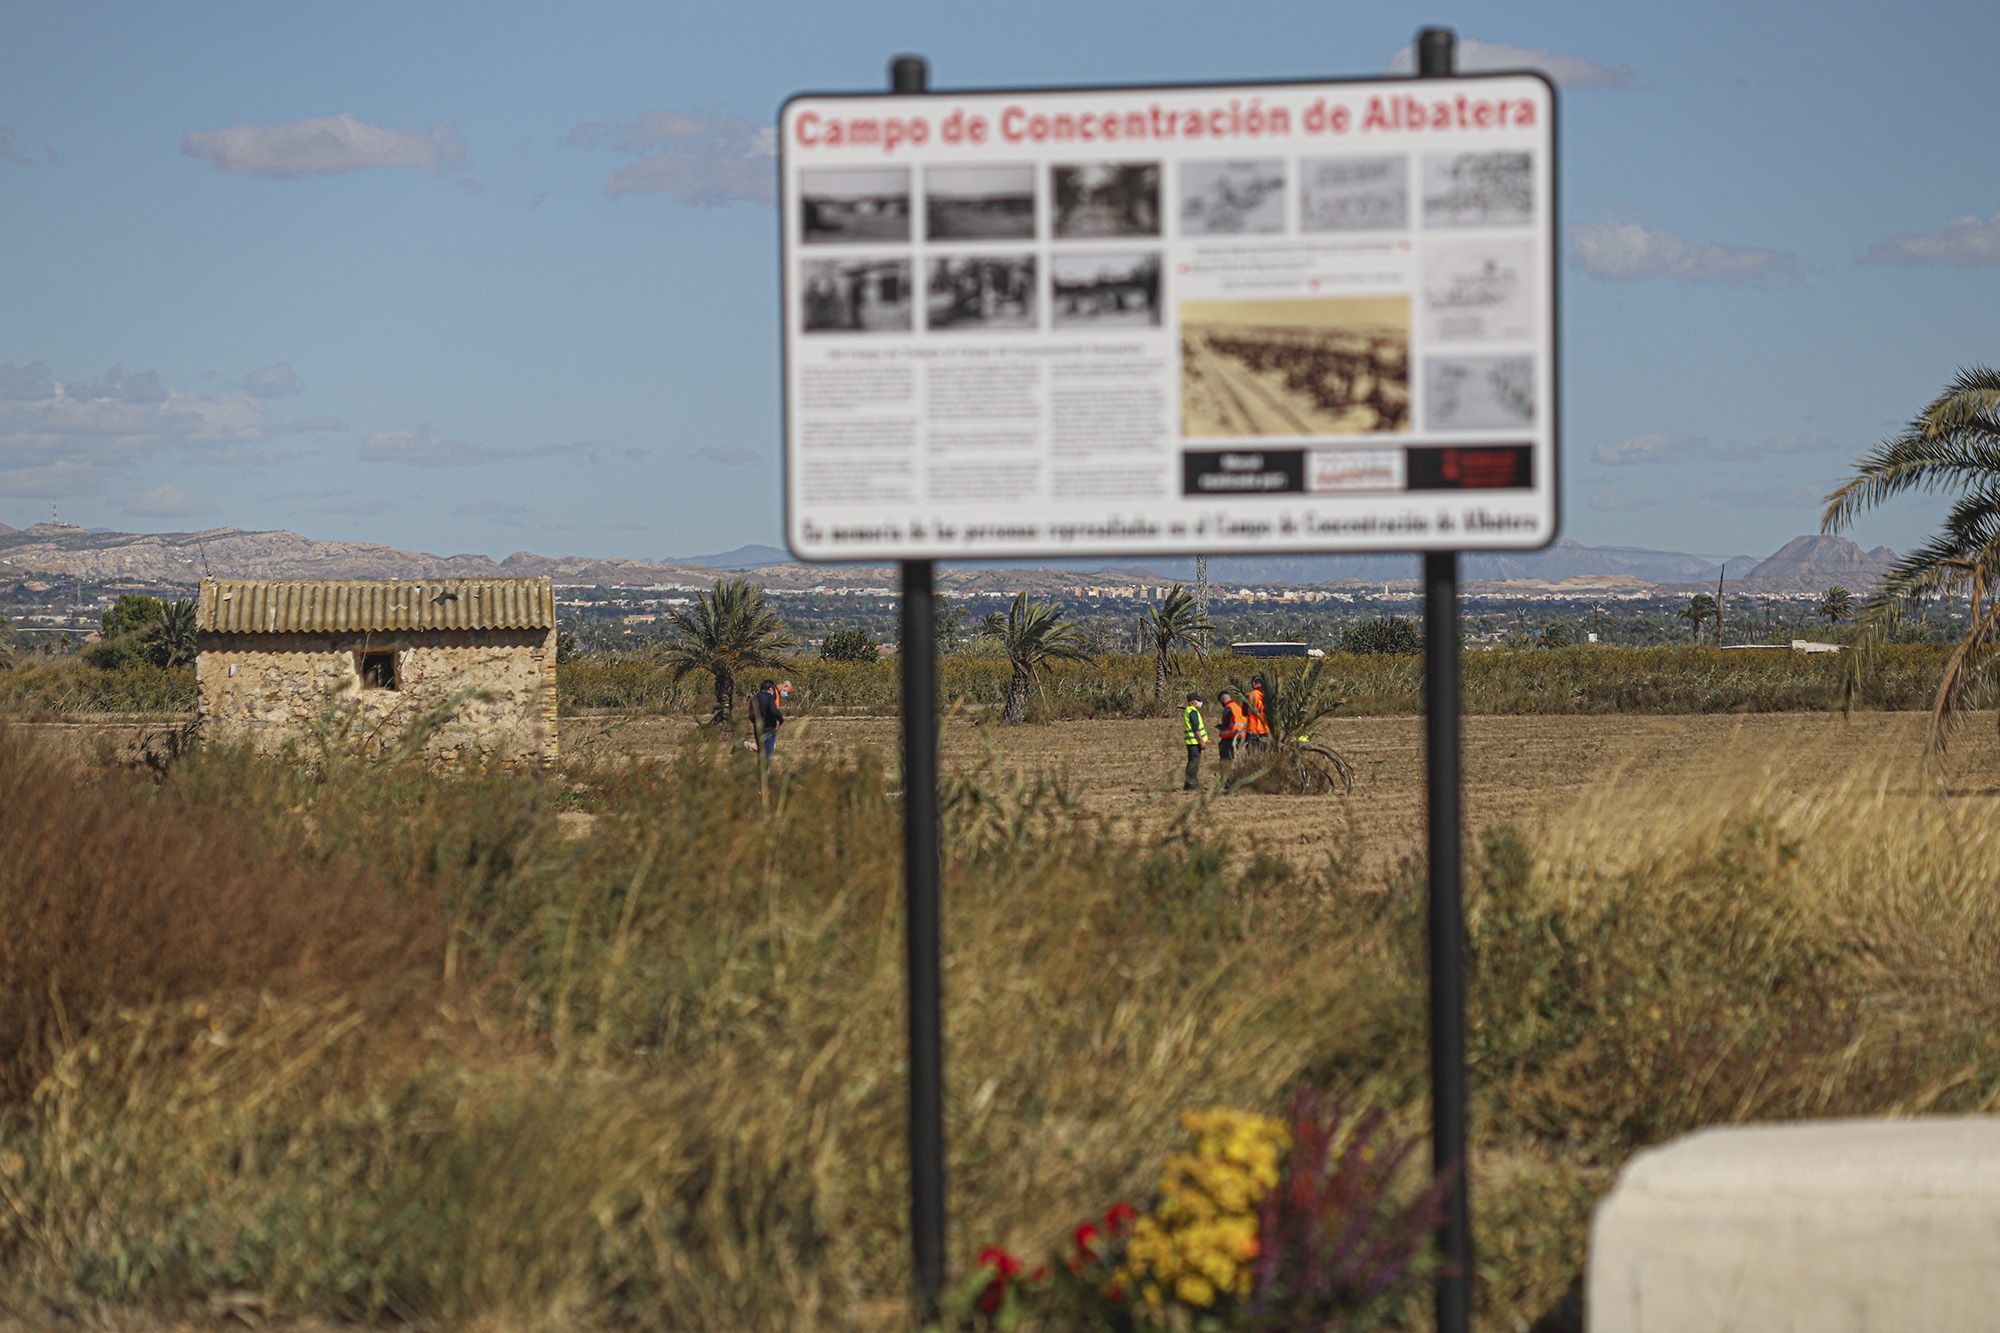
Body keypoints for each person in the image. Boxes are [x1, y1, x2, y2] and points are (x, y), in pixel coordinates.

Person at [1181, 691, 1208, 792]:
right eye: (1197, 700)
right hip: (1194, 742)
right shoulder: (1192, 711)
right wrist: (1201, 741)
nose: (1199, 702)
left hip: (1191, 742)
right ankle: (1192, 786)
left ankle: (1187, 785)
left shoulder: (1189, 710)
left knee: (1191, 763)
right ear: (1192, 701)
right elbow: (1196, 728)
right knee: (1193, 764)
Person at [1216, 689, 1247, 771]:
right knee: (1234, 758)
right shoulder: (1238, 707)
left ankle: (1227, 779)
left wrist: (1219, 726)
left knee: (1226, 760)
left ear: (1222, 699)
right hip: (1240, 736)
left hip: (1229, 738)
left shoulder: (1228, 708)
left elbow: (1226, 724)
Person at [754, 678, 784, 763]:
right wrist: (780, 720)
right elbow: (775, 711)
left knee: (760, 752)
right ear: (770, 689)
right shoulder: (769, 698)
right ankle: (764, 772)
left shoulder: (755, 698)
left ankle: (759, 770)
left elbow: (751, 714)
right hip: (769, 729)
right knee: (768, 752)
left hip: (758, 728)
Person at [1246, 674, 1271, 751]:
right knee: (1263, 755)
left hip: (1253, 729)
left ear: (1253, 683)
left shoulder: (1252, 695)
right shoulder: (1266, 696)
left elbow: (1244, 712)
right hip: (1264, 729)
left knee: (1252, 755)